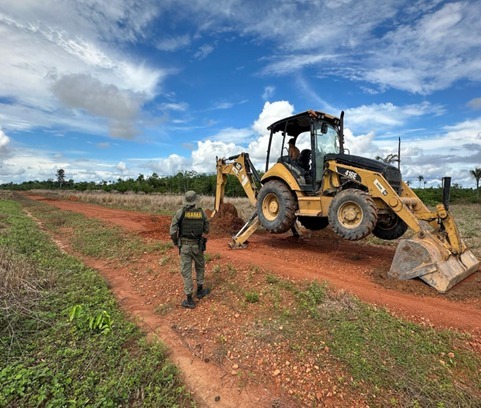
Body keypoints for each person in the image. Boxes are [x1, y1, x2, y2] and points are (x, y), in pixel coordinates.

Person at [170, 190, 210, 309]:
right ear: (195, 201)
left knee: (186, 272)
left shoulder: (180, 213)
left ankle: (189, 299)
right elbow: (207, 230)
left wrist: (175, 241)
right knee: (200, 267)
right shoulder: (201, 213)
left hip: (185, 246)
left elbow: (172, 231)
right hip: (197, 246)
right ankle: (200, 290)